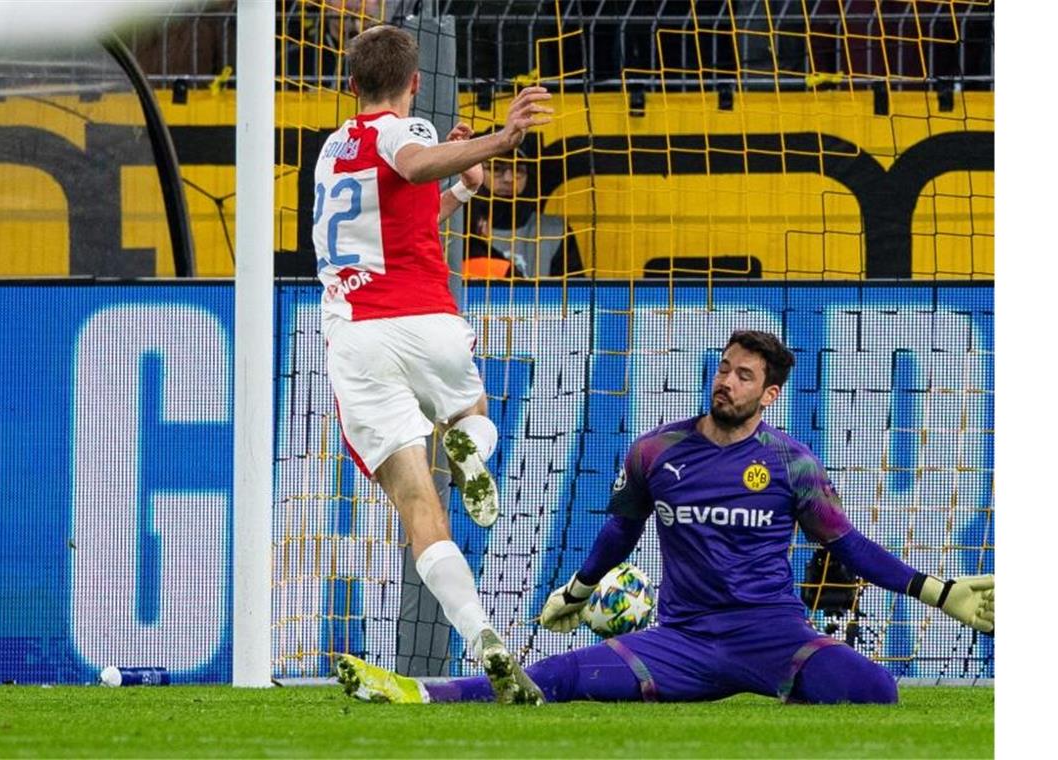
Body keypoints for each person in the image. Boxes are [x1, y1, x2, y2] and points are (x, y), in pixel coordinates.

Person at [335, 329, 995, 705]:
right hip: (681, 643)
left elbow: (846, 545)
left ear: (768, 394)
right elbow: (621, 528)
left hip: (774, 639)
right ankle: (420, 694)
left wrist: (938, 592)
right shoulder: (657, 451)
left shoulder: (793, 464)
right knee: (557, 678)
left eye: (744, 376)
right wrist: (580, 588)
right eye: (724, 369)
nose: (726, 382)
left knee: (878, 693)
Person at [312, 24, 554, 704]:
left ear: (350, 84)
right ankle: (470, 449)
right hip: (424, 319)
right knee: (473, 418)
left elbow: (404, 206)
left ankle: (482, 641)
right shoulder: (402, 130)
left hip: (357, 338)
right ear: (413, 83)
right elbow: (414, 164)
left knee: (419, 507)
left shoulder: (332, 150)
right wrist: (501, 142)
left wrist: (464, 188)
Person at [466, 139, 584, 278]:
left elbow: (576, 296)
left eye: (517, 169)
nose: (509, 178)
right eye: (496, 168)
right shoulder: (460, 230)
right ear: (477, 172)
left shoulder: (555, 231)